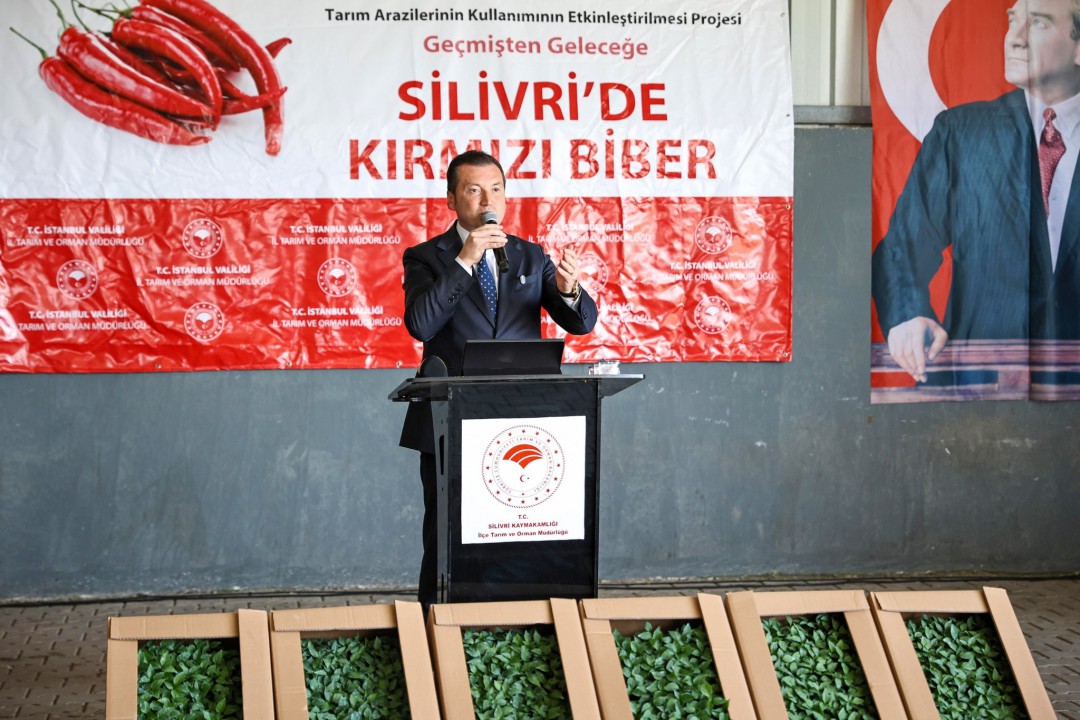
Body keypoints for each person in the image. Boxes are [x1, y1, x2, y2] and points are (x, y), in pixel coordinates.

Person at [398, 150, 597, 608]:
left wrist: (569, 290)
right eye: (474, 190)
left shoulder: (529, 255)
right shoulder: (426, 257)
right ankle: (437, 628)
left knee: (520, 536)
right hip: (451, 421)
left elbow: (581, 323)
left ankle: (516, 623)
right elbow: (421, 325)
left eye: (496, 189)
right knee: (448, 534)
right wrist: (464, 261)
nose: (488, 200)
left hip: (522, 424)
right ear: (452, 200)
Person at [872, 0, 1080, 383]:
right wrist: (907, 315)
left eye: (1038, 24)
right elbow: (901, 248)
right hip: (976, 384)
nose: (1013, 39)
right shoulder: (961, 133)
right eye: (1013, 21)